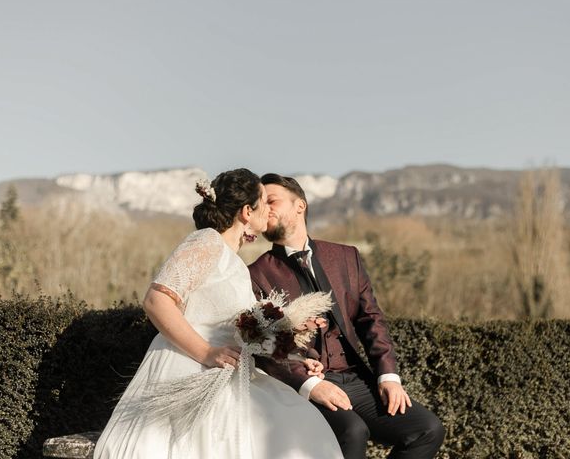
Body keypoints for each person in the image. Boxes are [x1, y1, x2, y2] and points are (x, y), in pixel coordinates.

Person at [94, 169, 343, 459]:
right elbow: (157, 300)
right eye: (264, 201)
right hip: (190, 366)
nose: (269, 209)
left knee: (301, 425)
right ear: (247, 212)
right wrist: (206, 352)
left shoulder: (232, 260)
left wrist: (296, 353)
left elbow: (246, 332)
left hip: (233, 373)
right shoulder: (205, 242)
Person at [248, 174, 445, 459]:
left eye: (272, 201)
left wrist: (388, 376)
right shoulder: (256, 274)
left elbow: (371, 319)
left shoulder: (345, 256)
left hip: (355, 378)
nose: (265, 209)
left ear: (300, 206)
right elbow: (263, 345)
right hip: (305, 385)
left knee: (428, 429)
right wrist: (311, 384)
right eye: (260, 204)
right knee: (352, 432)